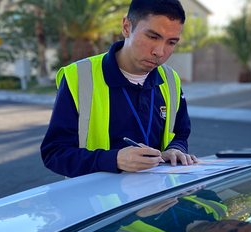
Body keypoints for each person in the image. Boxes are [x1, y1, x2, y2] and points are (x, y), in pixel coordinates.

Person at [40, 0, 198, 178]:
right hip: (99, 203)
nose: (160, 52)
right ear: (126, 27)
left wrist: (175, 149)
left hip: (157, 198)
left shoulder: (170, 79)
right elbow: (54, 154)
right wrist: (113, 159)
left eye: (171, 42)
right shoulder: (79, 77)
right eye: (153, 37)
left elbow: (180, 133)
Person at [78, 187, 251, 232]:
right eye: (241, 223)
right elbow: (194, 179)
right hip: (125, 171)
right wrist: (189, 188)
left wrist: (134, 217)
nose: (228, 224)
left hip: (88, 199)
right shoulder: (217, 206)